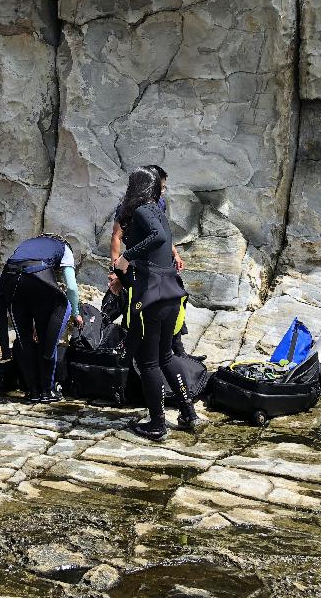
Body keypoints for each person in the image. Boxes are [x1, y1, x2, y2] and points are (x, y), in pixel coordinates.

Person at [113, 167, 202, 441]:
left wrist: (126, 257)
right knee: (166, 357)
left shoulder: (142, 210)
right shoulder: (157, 211)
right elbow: (160, 244)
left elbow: (159, 238)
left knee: (148, 361)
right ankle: (188, 413)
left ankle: (157, 424)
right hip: (170, 294)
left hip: (151, 298)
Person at [0, 233, 84, 404]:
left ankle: (32, 391)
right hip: (38, 276)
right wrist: (75, 312)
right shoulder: (64, 248)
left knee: (25, 340)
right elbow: (72, 288)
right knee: (47, 338)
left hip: (11, 278)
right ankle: (46, 391)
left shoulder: (28, 242)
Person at [110, 165, 183, 273]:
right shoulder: (127, 207)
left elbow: (161, 232)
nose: (162, 192)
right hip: (138, 260)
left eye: (163, 188)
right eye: (160, 187)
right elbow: (117, 236)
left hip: (157, 263)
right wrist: (114, 270)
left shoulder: (159, 203)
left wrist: (175, 254)